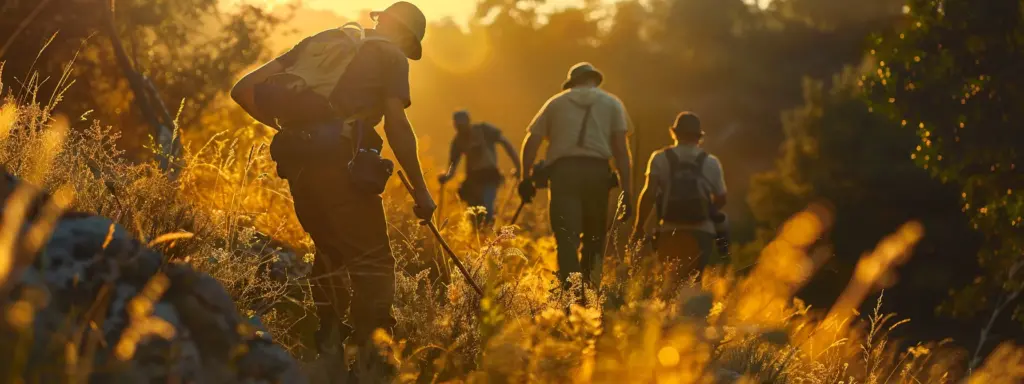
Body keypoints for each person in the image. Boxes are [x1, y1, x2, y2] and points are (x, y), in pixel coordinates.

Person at [228, 0, 434, 369]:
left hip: (298, 165)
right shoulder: (390, 54)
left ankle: (328, 351)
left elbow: (243, 89)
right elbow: (396, 125)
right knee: (373, 263)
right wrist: (420, 189)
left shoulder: (322, 41)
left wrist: (299, 130)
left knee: (330, 255)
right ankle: (372, 362)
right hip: (342, 168)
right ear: (404, 33)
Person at [518, 62, 633, 289]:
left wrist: (525, 178)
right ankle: (589, 293)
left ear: (571, 83)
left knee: (566, 238)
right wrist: (627, 191)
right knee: (595, 238)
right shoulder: (612, 103)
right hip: (597, 173)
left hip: (563, 174)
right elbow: (621, 150)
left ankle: (570, 293)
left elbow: (531, 142)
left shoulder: (556, 103)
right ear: (594, 80)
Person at [632, 112, 728, 282]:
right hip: (701, 231)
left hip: (670, 230)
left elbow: (649, 194)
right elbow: (721, 198)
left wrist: (639, 227)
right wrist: (705, 212)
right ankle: (693, 308)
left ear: (674, 133)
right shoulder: (711, 162)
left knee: (669, 283)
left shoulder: (659, 158)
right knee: (693, 283)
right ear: (699, 137)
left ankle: (669, 309)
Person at [439, 110, 521, 227]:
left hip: (489, 176)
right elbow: (453, 165)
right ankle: (478, 239)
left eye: (462, 125)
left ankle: (490, 234)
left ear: (468, 122)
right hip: (472, 181)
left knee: (487, 209)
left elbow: (505, 143)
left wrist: (518, 166)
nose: (461, 129)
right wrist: (446, 177)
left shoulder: (484, 130)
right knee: (474, 215)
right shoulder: (458, 141)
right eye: (458, 126)